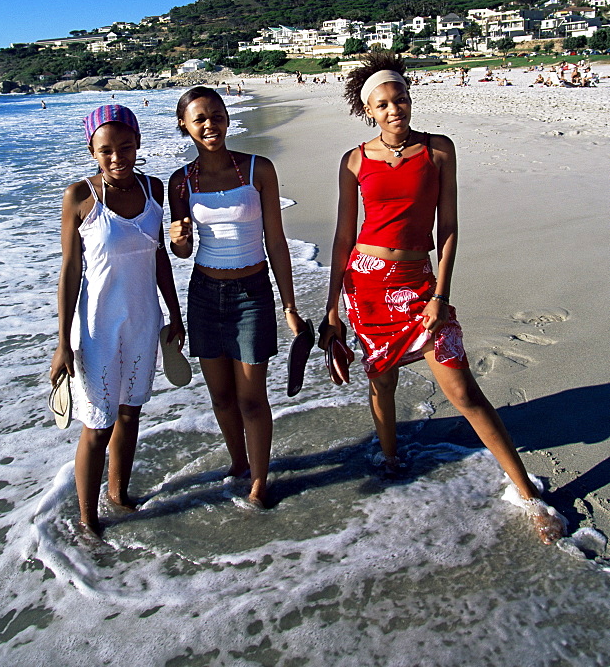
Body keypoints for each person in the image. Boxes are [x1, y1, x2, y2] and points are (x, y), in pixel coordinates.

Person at [319, 52, 566, 544]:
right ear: (369, 109)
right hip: (365, 283)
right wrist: (331, 311)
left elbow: (448, 228)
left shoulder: (438, 151)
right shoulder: (354, 161)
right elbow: (343, 239)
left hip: (417, 285)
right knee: (381, 381)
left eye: (401, 99)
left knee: (463, 391)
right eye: (384, 104)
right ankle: (390, 458)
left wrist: (439, 294)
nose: (395, 110)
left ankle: (527, 494)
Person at [49, 104, 185, 537]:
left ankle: (119, 495)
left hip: (144, 320)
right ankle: (89, 520)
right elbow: (70, 270)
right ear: (92, 150)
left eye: (125, 147)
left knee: (131, 413)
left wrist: (175, 313)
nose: (117, 157)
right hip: (96, 326)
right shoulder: (80, 197)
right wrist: (61, 343)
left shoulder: (153, 189)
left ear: (138, 144)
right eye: (106, 150)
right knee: (96, 423)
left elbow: (159, 254)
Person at [169, 86, 306, 508]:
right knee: (222, 397)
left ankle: (260, 480)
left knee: (251, 397)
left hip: (253, 293)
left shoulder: (257, 169)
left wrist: (289, 305)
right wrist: (177, 240)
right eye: (200, 119)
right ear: (185, 127)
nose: (210, 125)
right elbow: (183, 251)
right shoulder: (181, 182)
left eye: (217, 115)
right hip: (205, 296)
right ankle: (237, 462)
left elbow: (276, 241)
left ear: (228, 118)